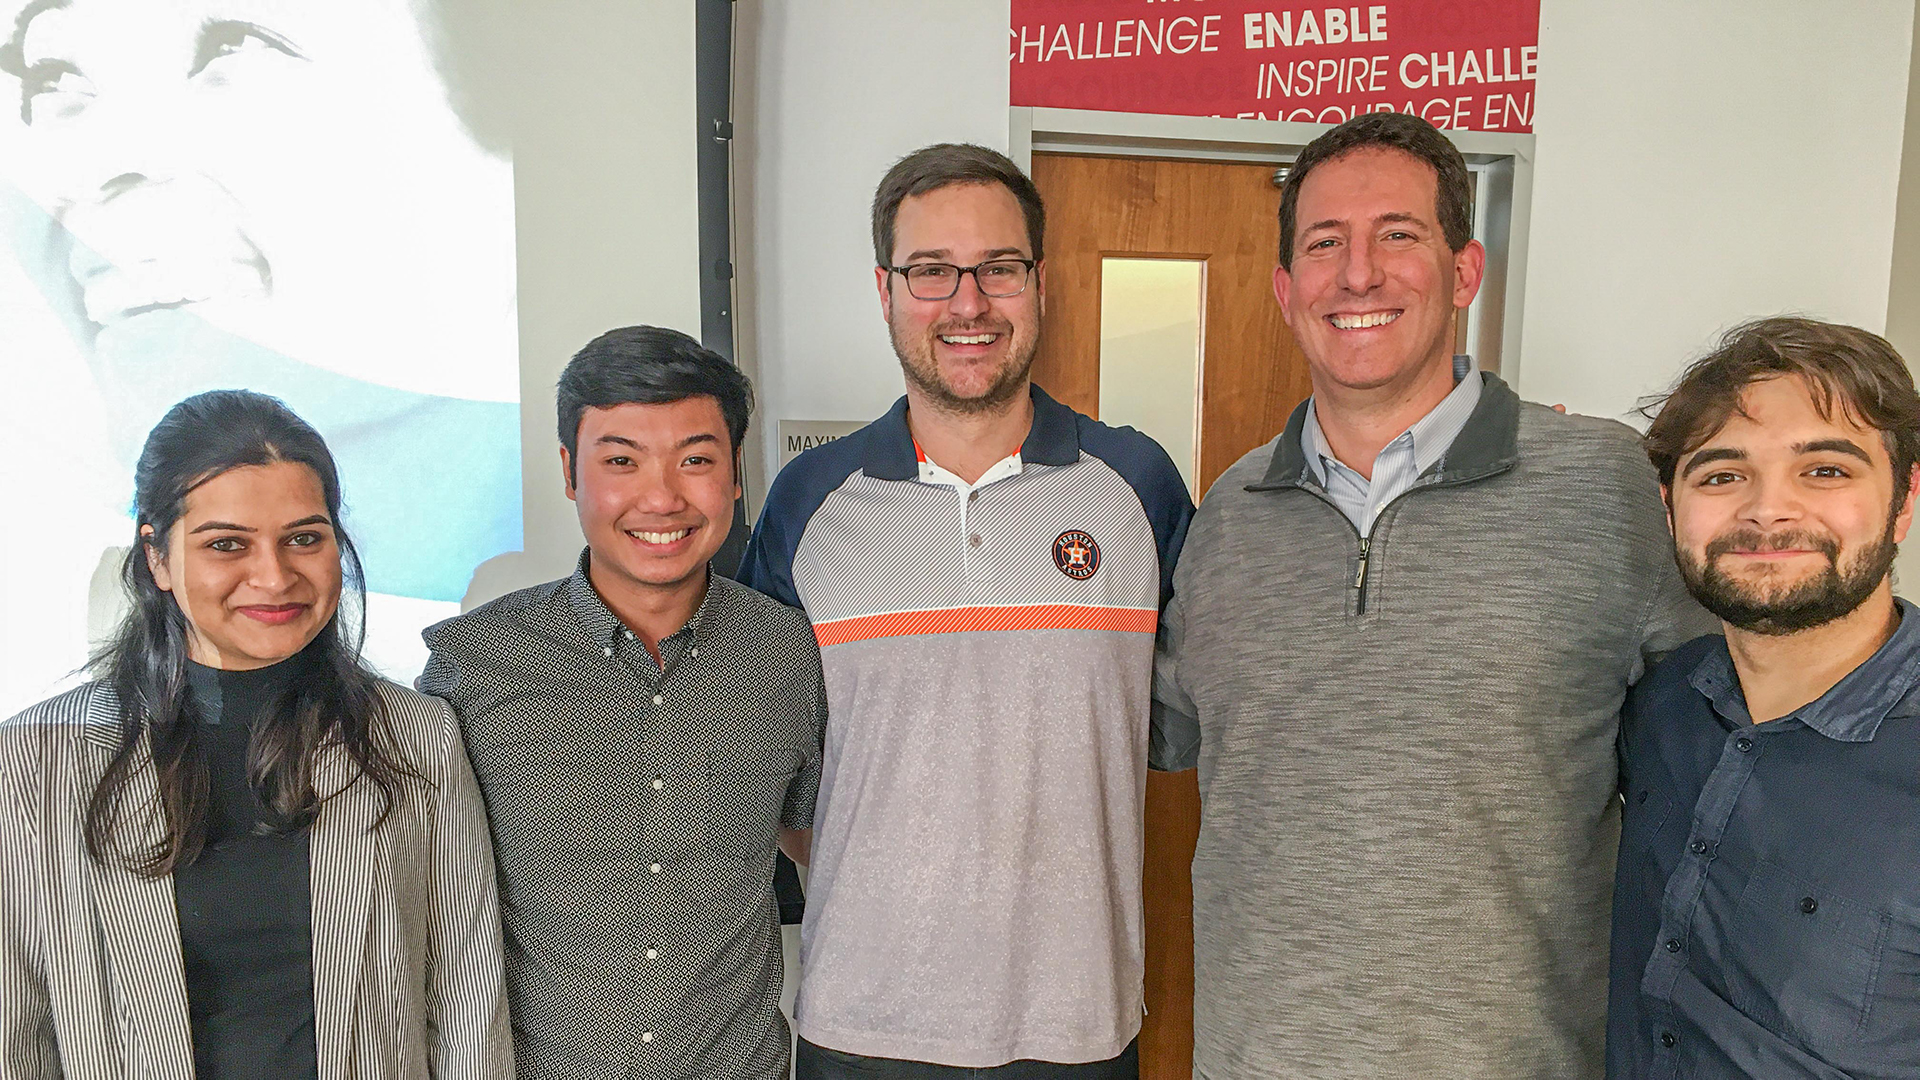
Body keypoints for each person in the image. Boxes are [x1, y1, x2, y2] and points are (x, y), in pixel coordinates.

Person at [1148, 111, 1714, 1079]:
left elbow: (1722, 758)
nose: (1358, 274)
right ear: (1287, 290)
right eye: (1325, 244)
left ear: (1463, 271)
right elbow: (1146, 731)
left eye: (1397, 236)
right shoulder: (1231, 512)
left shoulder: (1602, 487)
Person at [740, 143, 1193, 1079]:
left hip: (1078, 1024)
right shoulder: (809, 503)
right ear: (886, 289)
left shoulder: (1136, 486)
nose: (969, 302)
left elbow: (1182, 722)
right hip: (861, 1021)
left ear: (1039, 280)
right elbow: (763, 749)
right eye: (933, 271)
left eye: (999, 268)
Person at [0, 0, 522, 708]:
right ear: (154, 556)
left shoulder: (432, 735)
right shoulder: (39, 752)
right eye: (57, 80)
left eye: (233, 49)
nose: (105, 163)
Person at [0, 389, 511, 1079]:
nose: (274, 576)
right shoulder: (36, 761)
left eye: (304, 538)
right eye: (227, 545)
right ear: (156, 556)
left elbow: (468, 1011)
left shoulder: (417, 739)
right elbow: (14, 1035)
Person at [419, 326, 824, 1080]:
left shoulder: (789, 656)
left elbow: (818, 844)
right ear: (571, 472)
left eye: (696, 460)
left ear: (736, 475)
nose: (662, 497)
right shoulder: (473, 665)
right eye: (621, 461)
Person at [1609, 317, 1920, 1079]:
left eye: (1824, 470)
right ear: (1670, 505)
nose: (1768, 511)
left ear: (1905, 498)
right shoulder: (1663, 704)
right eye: (1721, 475)